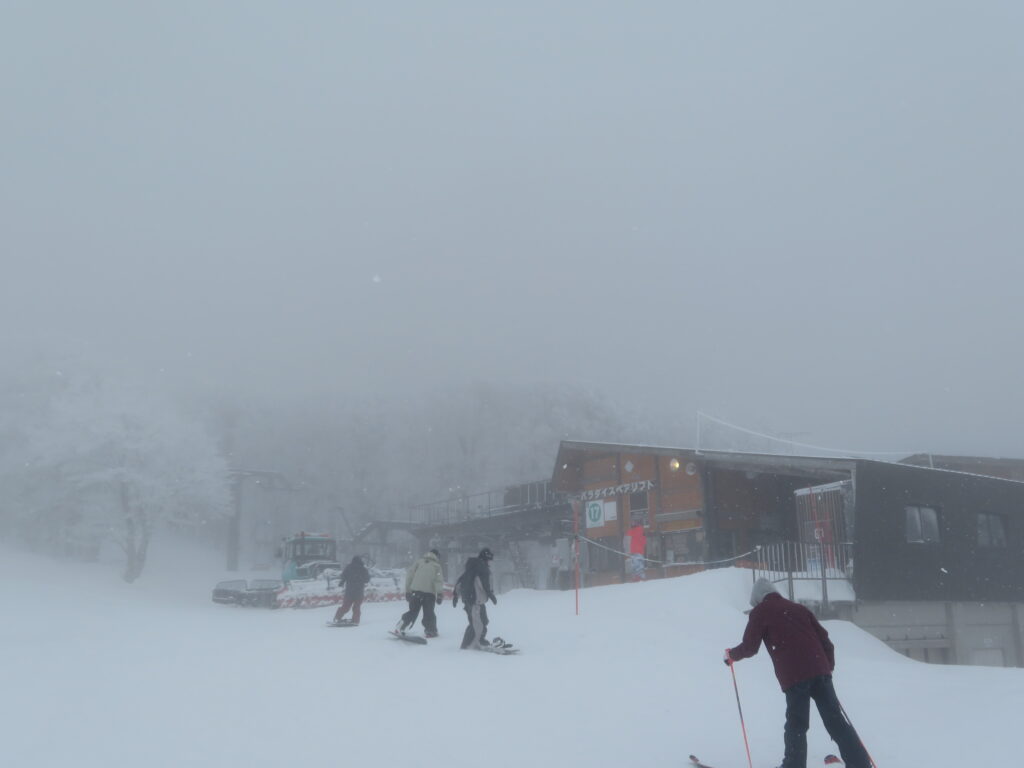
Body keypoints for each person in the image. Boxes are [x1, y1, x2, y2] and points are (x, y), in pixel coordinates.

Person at [725, 578, 871, 768]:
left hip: (795, 675)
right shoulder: (798, 608)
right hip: (820, 671)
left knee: (797, 724)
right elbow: (826, 641)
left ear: (758, 598)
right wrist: (827, 669)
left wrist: (731, 655)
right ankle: (860, 763)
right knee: (836, 722)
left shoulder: (761, 611)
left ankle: (794, 765)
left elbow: (751, 647)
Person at [453, 548, 497, 649]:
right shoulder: (482, 568)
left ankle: (479, 639)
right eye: (489, 560)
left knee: (483, 621)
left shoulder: (471, 567)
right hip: (474, 600)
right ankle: (467, 646)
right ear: (486, 558)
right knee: (476, 624)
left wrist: (455, 595)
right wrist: (490, 594)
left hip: (472, 599)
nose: (490, 562)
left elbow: (460, 581)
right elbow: (484, 583)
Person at [396, 549, 444, 638]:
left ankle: (401, 626)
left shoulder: (418, 563)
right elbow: (438, 581)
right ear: (437, 556)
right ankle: (430, 631)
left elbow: (410, 576)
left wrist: (408, 591)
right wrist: (440, 594)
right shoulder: (437, 566)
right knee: (429, 613)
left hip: (416, 592)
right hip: (429, 594)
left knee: (413, 611)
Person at [332, 555, 371, 625]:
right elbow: (367, 580)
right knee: (356, 607)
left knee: (345, 606)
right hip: (359, 592)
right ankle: (355, 621)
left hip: (349, 592)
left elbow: (343, 576)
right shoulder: (363, 569)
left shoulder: (349, 567)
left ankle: (337, 618)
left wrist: (342, 582)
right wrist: (360, 579)